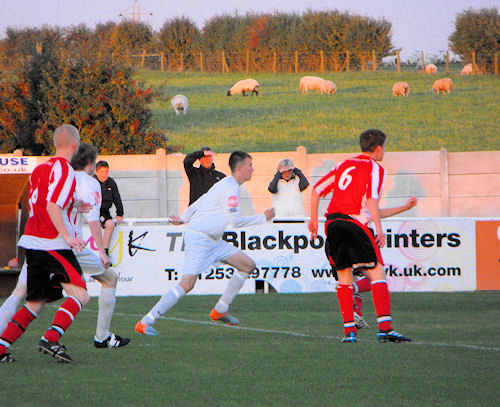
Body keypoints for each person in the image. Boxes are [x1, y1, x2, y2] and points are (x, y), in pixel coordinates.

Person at [0, 143, 132, 350]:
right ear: (90, 163)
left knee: (21, 295)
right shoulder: (89, 183)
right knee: (105, 281)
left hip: (41, 244)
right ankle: (100, 337)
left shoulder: (56, 173)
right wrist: (101, 251)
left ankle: (2, 342)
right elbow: (93, 220)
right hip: (68, 245)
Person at [136, 151, 275, 335]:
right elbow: (236, 222)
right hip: (200, 239)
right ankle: (146, 321)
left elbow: (202, 199)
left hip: (214, 242)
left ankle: (221, 309)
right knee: (187, 284)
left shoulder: (225, 183)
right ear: (240, 168)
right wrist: (263, 217)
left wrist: (183, 217)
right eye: (250, 165)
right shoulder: (230, 188)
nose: (253, 169)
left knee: (248, 265)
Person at [308, 129, 412, 343]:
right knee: (378, 274)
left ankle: (349, 333)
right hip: (355, 225)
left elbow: (317, 190)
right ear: (379, 148)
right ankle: (384, 328)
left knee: (344, 278)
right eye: (384, 147)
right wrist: (380, 230)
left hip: (333, 224)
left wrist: (313, 220)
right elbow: (371, 202)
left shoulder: (343, 165)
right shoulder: (374, 167)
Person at [0, 124, 89, 363]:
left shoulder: (41, 169)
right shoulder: (65, 169)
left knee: (35, 303)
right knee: (80, 294)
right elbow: (52, 206)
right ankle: (51, 339)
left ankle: (0, 349)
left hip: (34, 243)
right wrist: (69, 237)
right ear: (75, 144)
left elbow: (43, 204)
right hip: (53, 243)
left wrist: (75, 206)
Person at [94, 160, 124, 257]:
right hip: (93, 211)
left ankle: (105, 251)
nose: (104, 174)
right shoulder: (92, 182)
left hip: (105, 212)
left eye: (106, 171)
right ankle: (102, 252)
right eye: (102, 172)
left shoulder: (111, 182)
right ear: (96, 172)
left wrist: (120, 214)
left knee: (110, 224)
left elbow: (117, 198)